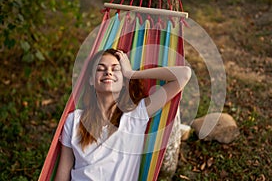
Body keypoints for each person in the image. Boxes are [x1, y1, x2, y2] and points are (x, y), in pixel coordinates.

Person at [55, 48, 191, 181]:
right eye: (100, 69)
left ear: (124, 82)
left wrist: (132, 74)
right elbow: (63, 171)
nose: (108, 72)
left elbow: (184, 74)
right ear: (91, 80)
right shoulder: (74, 120)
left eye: (115, 69)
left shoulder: (137, 115)